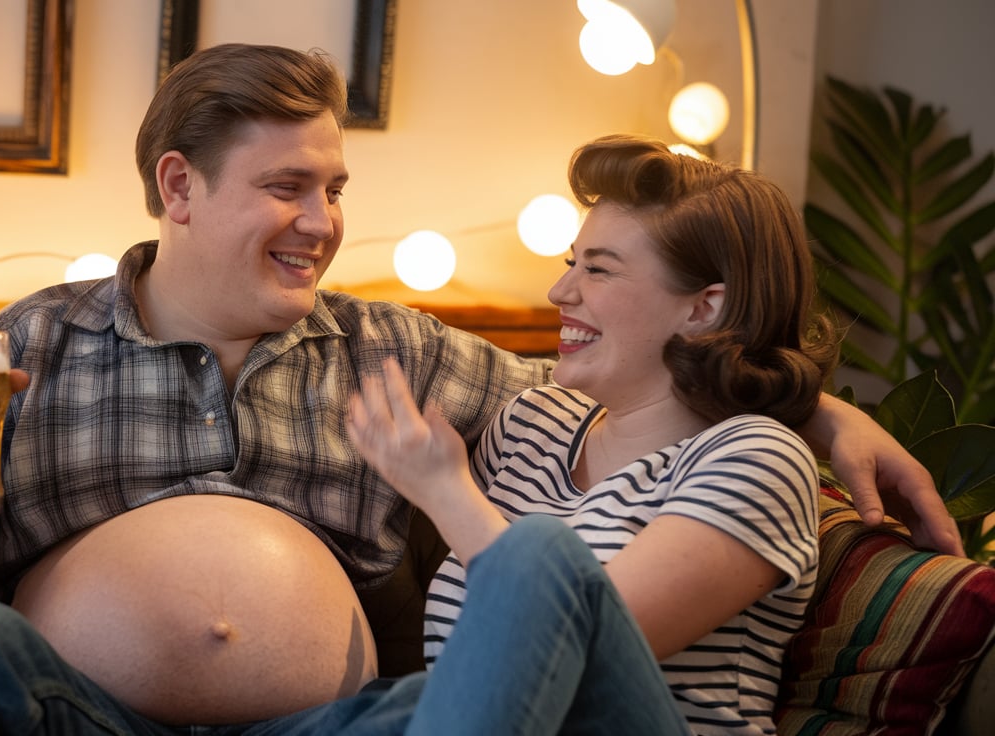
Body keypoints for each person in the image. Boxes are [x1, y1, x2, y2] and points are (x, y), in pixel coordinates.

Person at [0, 44, 958, 734]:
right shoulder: (30, 344)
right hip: (79, 716)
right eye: (287, 186)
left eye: (334, 187)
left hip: (337, 725)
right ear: (180, 187)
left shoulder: (399, 352)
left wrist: (810, 404)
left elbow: (644, 385)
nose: (322, 223)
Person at [347, 134, 850, 733]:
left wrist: (447, 493)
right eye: (570, 264)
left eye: (599, 270)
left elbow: (578, 649)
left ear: (703, 310)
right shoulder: (534, 424)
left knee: (541, 555)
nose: (561, 293)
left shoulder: (759, 458)